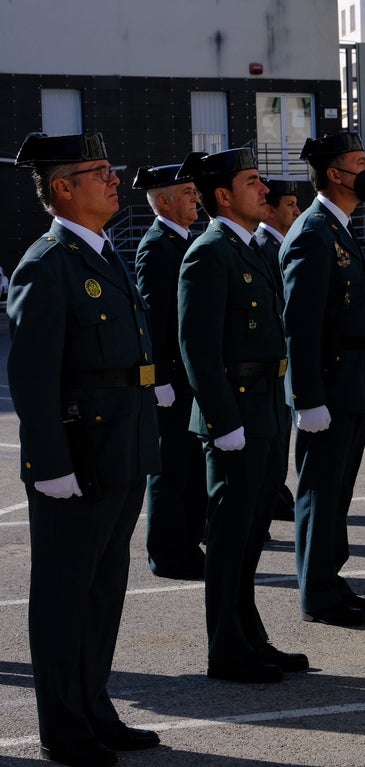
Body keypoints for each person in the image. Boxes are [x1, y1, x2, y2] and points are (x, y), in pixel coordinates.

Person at [9, 132, 162, 767]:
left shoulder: (103, 253)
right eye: (99, 170)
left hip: (121, 446)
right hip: (79, 455)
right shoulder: (46, 265)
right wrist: (49, 466)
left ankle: (95, 706)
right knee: (64, 594)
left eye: (111, 167)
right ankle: (64, 727)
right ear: (63, 187)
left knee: (103, 589)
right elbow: (31, 377)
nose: (114, 179)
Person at [177, 147, 307, 684]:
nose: (265, 191)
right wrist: (223, 422)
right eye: (252, 182)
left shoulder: (250, 247)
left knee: (252, 535)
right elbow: (197, 349)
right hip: (236, 415)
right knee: (230, 538)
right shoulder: (209, 253)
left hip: (266, 408)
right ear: (224, 196)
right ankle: (225, 650)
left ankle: (249, 635)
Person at [280, 132, 365, 625]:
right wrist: (306, 398)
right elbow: (299, 326)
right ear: (336, 175)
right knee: (321, 491)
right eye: (359, 162)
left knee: (338, 489)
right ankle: (317, 592)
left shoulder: (338, 227)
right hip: (326, 384)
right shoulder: (312, 232)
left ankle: (330, 577)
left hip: (349, 382)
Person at [133, 162, 208, 581]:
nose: (195, 198)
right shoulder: (157, 246)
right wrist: (158, 376)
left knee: (192, 466)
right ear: (163, 201)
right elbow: (154, 318)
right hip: (173, 379)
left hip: (190, 377)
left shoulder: (183, 241)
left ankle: (187, 543)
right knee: (172, 468)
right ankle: (167, 552)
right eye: (186, 193)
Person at [253, 178, 302, 525]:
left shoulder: (278, 244)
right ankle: (271, 497)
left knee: (279, 439)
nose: (297, 211)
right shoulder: (262, 246)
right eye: (289, 205)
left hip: (280, 360)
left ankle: (276, 494)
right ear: (269, 210)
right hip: (267, 360)